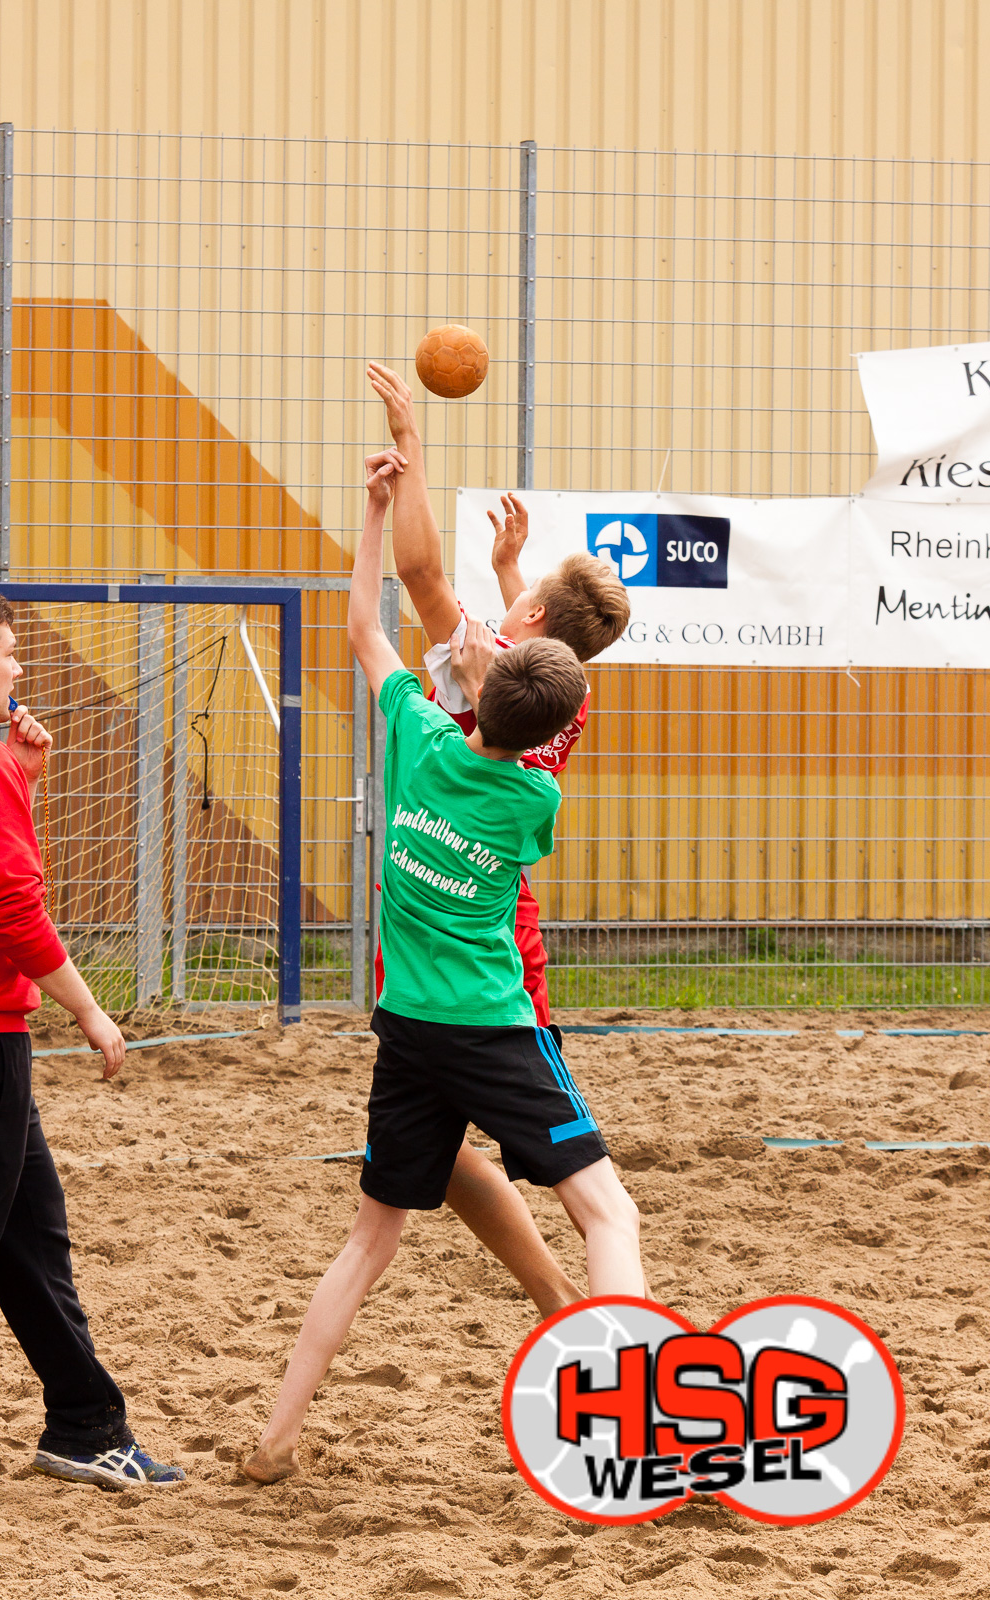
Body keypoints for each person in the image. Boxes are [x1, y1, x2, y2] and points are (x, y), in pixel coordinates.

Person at [241, 452, 644, 1484]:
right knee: (607, 1208)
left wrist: (381, 492)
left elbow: (381, 627)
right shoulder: (533, 799)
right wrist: (512, 587)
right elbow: (516, 686)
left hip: (406, 1013)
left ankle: (275, 1434)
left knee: (371, 1235)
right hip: (489, 1006)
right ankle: (630, 1406)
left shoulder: (419, 733)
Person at [363, 362, 632, 1319]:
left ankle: (567, 1299)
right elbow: (533, 646)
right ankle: (559, 1293)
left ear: (531, 623)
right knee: (457, 1147)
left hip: (470, 935)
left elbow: (420, 574)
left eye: (518, 599)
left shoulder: (488, 668)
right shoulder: (559, 685)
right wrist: (521, 575)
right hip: (492, 912)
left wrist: (412, 448)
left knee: (525, 1162)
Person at [0, 582, 184, 1494]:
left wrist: (22, 779)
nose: (19, 665)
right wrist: (87, 1006)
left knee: (30, 1235)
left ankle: (86, 1423)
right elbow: (7, 905)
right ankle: (85, 1422)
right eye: (8, 650)